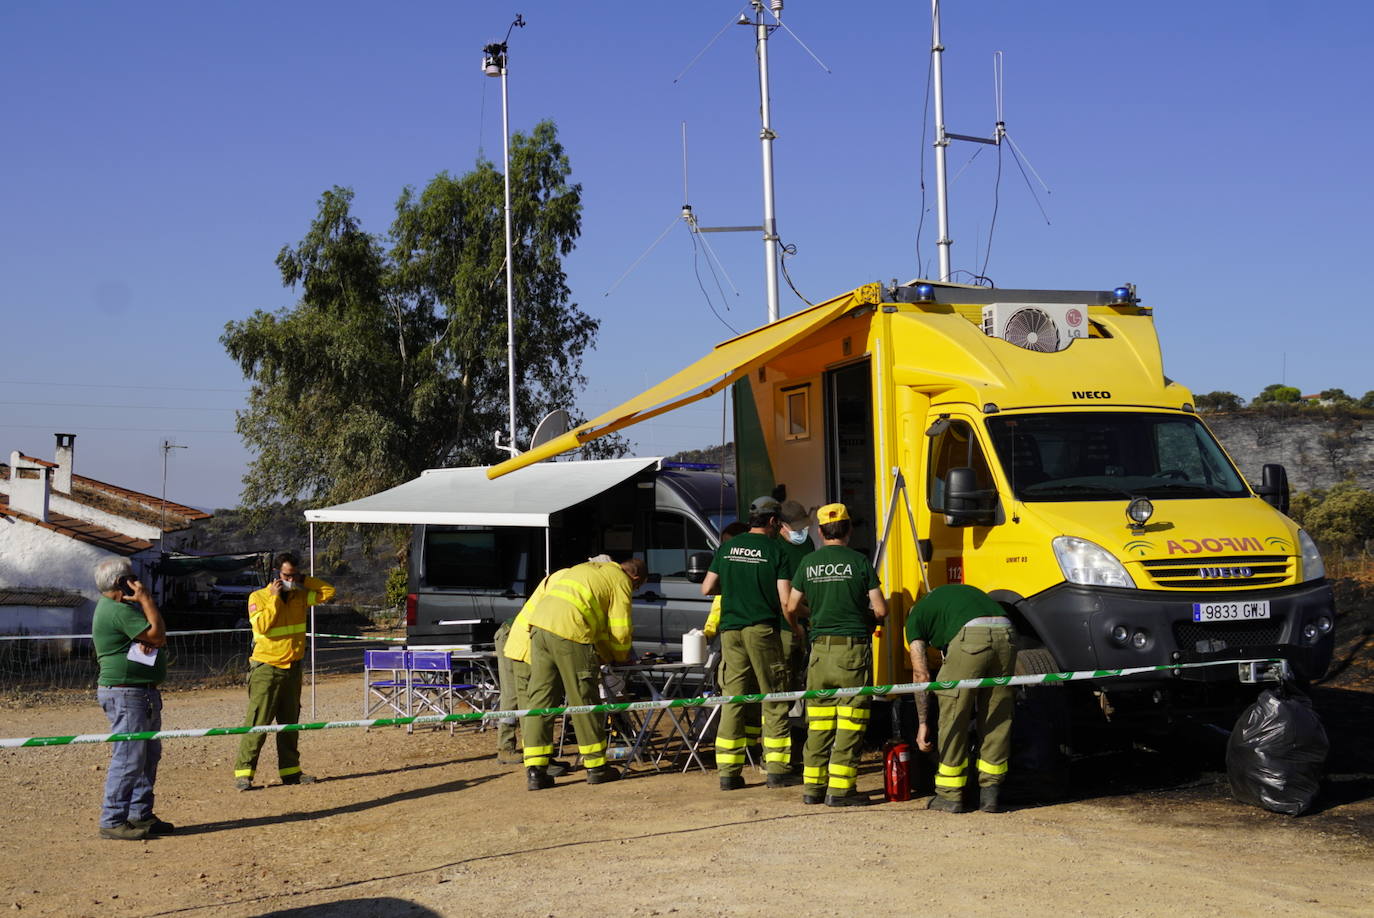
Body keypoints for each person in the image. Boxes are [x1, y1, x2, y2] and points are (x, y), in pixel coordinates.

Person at [785, 503, 886, 806]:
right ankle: (840, 791)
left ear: (819, 531)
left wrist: (808, 620)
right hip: (852, 651)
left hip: (819, 653)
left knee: (819, 723)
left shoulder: (809, 563)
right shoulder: (858, 562)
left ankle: (813, 789)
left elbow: (790, 607)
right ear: (849, 529)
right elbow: (880, 609)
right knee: (850, 722)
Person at [521, 558, 647, 790]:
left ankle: (536, 771)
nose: (634, 590)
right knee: (584, 698)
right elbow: (620, 628)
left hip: (539, 628)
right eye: (637, 587)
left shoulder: (586, 570)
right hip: (570, 632)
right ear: (636, 577)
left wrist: (602, 652)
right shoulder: (620, 580)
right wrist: (620, 658)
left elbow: (596, 626)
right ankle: (597, 767)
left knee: (541, 699)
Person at [700, 496, 797, 790]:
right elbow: (785, 601)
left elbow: (707, 587)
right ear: (772, 521)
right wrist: (797, 629)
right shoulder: (776, 549)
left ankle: (729, 773)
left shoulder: (727, 547)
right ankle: (777, 769)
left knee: (733, 699)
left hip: (730, 632)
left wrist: (731, 584)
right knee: (774, 696)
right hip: (761, 631)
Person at [906, 583, 1017, 813]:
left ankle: (949, 795)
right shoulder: (951, 598)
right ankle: (991, 794)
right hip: (1006, 631)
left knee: (954, 711)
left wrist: (923, 723)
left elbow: (921, 674)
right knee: (997, 713)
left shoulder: (915, 617)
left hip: (971, 635)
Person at [233, 552, 334, 790]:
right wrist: (276, 598)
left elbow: (328, 592)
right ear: (276, 575)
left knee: (290, 724)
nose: (290, 579)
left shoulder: (301, 594)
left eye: (294, 575)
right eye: (287, 575)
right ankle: (244, 773)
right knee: (259, 721)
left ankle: (291, 772)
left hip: (293, 668)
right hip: (267, 668)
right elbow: (263, 625)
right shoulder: (258, 596)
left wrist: (303, 580)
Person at [92, 558, 172, 840]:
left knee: (147, 755)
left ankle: (140, 815)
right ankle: (113, 819)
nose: (139, 582)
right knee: (129, 758)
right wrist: (147, 600)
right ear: (120, 583)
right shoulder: (117, 610)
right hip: (127, 693)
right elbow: (158, 635)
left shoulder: (121, 609)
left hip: (139, 691)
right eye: (132, 577)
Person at [775, 499, 813, 770]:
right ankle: (779, 755)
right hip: (787, 626)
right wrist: (804, 620)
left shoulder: (807, 545)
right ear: (780, 526)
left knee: (803, 686)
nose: (801, 532)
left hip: (804, 624)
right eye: (795, 527)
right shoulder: (776, 549)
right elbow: (786, 600)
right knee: (782, 691)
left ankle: (801, 746)